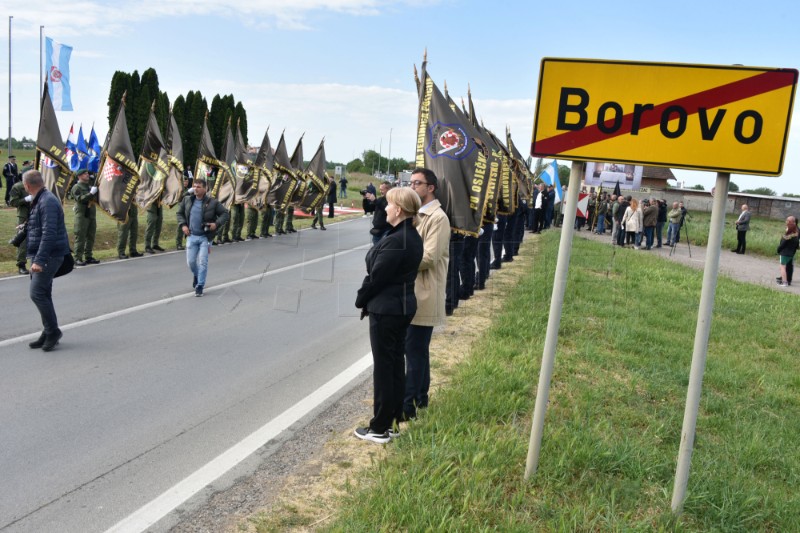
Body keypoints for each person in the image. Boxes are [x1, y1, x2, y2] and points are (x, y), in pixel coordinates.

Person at [354, 187, 424, 443]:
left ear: (399, 209)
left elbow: (377, 277)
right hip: (399, 307)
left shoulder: (398, 239)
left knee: (385, 368)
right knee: (394, 365)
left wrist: (360, 299)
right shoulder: (407, 235)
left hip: (388, 308)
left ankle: (379, 427)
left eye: (389, 204)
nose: (385, 208)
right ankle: (393, 421)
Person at [403, 168, 450, 421]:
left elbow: (429, 257)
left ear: (430, 187)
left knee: (415, 350)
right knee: (417, 350)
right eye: (410, 183)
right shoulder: (417, 214)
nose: (412, 187)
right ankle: (420, 399)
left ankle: (408, 406)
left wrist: (397, 260)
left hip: (425, 291)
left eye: (417, 183)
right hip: (413, 290)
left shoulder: (437, 218)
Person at [23, 170, 70, 351]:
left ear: (27, 186)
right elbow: (42, 227)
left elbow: (49, 234)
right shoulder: (42, 199)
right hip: (43, 254)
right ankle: (48, 330)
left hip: (49, 256)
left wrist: (40, 261)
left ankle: (53, 332)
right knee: (44, 294)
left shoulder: (47, 201)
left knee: (37, 293)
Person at [176, 178, 229, 297]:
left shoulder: (213, 202)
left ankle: (200, 285)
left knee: (203, 262)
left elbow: (225, 214)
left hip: (205, 237)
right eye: (194, 186)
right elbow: (179, 213)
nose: (195, 189)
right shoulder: (187, 200)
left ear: (205, 189)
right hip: (191, 236)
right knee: (190, 262)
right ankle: (197, 274)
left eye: (198, 187)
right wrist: (183, 225)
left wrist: (216, 224)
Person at [70, 169, 100, 266]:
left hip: (91, 214)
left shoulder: (90, 186)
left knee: (91, 236)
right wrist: (90, 193)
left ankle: (88, 256)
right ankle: (77, 258)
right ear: (79, 176)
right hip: (82, 215)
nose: (87, 175)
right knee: (81, 236)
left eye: (87, 173)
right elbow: (80, 199)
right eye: (84, 174)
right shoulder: (76, 187)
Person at [9, 176, 31, 274]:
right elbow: (13, 202)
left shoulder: (38, 185)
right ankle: (21, 264)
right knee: (23, 240)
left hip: (38, 213)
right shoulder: (17, 187)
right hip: (24, 215)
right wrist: (25, 199)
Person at [776, 216, 798, 287]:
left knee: (782, 267)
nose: (786, 222)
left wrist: (778, 249)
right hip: (791, 253)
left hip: (785, 253)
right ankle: (786, 280)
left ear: (789, 222)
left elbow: (783, 242)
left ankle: (785, 282)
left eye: (787, 221)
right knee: (787, 267)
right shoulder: (796, 232)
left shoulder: (790, 232)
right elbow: (797, 244)